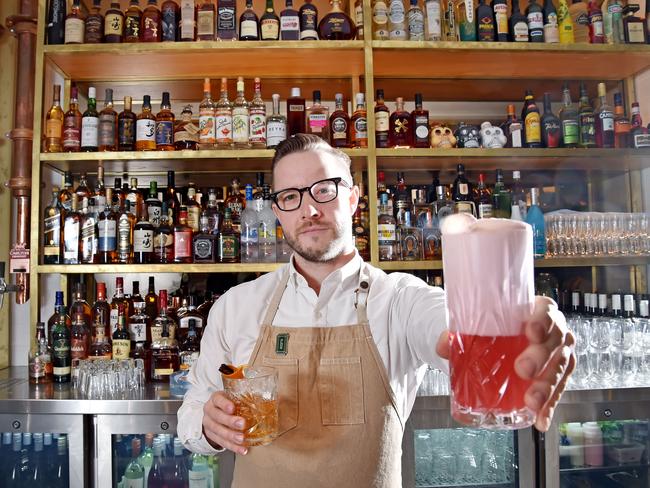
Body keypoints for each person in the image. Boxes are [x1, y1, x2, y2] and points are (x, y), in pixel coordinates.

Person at [178, 134, 576, 487]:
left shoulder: (400, 299)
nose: (309, 209)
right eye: (290, 196)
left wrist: (522, 330)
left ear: (352, 198)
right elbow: (192, 413)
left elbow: (449, 330)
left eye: (324, 189)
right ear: (278, 212)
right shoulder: (237, 306)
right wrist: (210, 427)